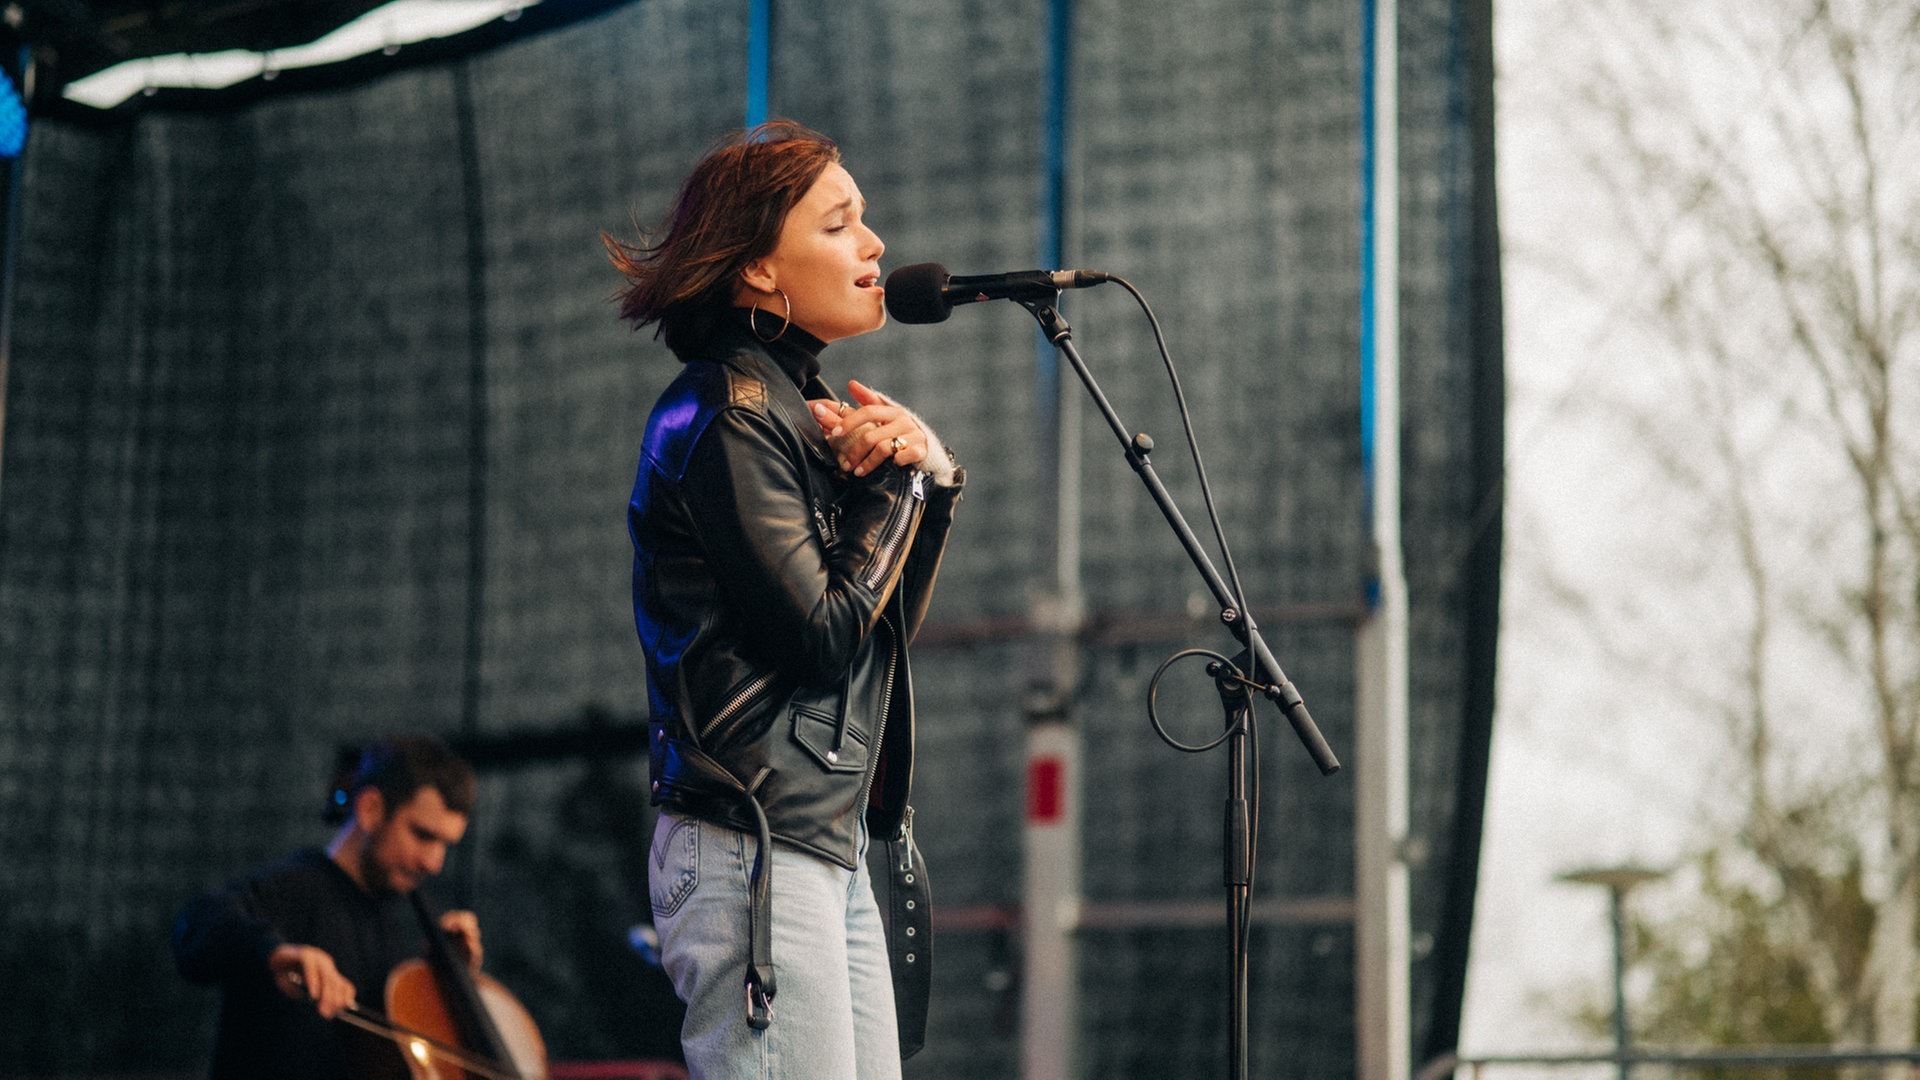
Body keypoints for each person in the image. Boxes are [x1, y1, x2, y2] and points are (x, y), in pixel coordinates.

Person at [607, 120, 964, 1079]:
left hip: (816, 843)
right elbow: (818, 637)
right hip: (749, 845)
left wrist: (928, 483)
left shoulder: (789, 415)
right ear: (761, 272)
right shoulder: (726, 414)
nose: (876, 244)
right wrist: (896, 489)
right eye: (841, 223)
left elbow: (871, 645)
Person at [172, 734, 485, 1080]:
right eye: (423, 835)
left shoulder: (392, 927)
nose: (434, 862)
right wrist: (271, 952)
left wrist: (449, 984)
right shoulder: (297, 887)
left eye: (445, 845)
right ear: (370, 810)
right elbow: (196, 925)